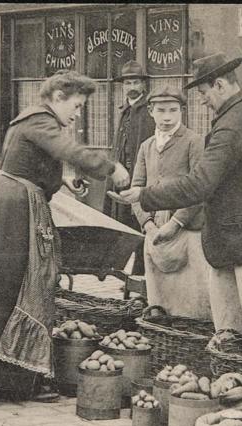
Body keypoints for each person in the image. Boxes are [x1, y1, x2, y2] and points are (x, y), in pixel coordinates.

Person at [0, 70, 131, 402]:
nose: (76, 114)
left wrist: (63, 183)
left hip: (10, 205)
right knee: (17, 286)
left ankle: (9, 376)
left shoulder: (35, 121)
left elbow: (38, 162)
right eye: (76, 105)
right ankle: (11, 380)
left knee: (9, 286)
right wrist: (110, 168)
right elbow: (69, 150)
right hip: (13, 211)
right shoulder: (40, 121)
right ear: (58, 97)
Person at [113, 53, 242, 346]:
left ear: (219, 85)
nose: (203, 101)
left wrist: (143, 195)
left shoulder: (229, 126)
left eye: (204, 93)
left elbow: (199, 185)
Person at [130, 84, 211, 320]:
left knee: (192, 297)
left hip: (187, 229)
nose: (167, 117)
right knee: (159, 297)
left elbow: (199, 188)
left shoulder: (194, 142)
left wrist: (176, 222)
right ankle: (163, 337)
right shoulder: (146, 147)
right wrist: (148, 224)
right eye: (161, 110)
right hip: (155, 229)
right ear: (150, 112)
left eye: (173, 110)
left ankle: (190, 339)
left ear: (182, 111)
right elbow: (137, 189)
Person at [104, 60, 156, 275]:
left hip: (139, 178)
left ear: (143, 85)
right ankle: (120, 273)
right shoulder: (125, 110)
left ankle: (139, 275)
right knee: (122, 224)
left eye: (135, 82)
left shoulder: (148, 111)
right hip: (121, 178)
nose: (131, 87)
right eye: (127, 83)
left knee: (141, 223)